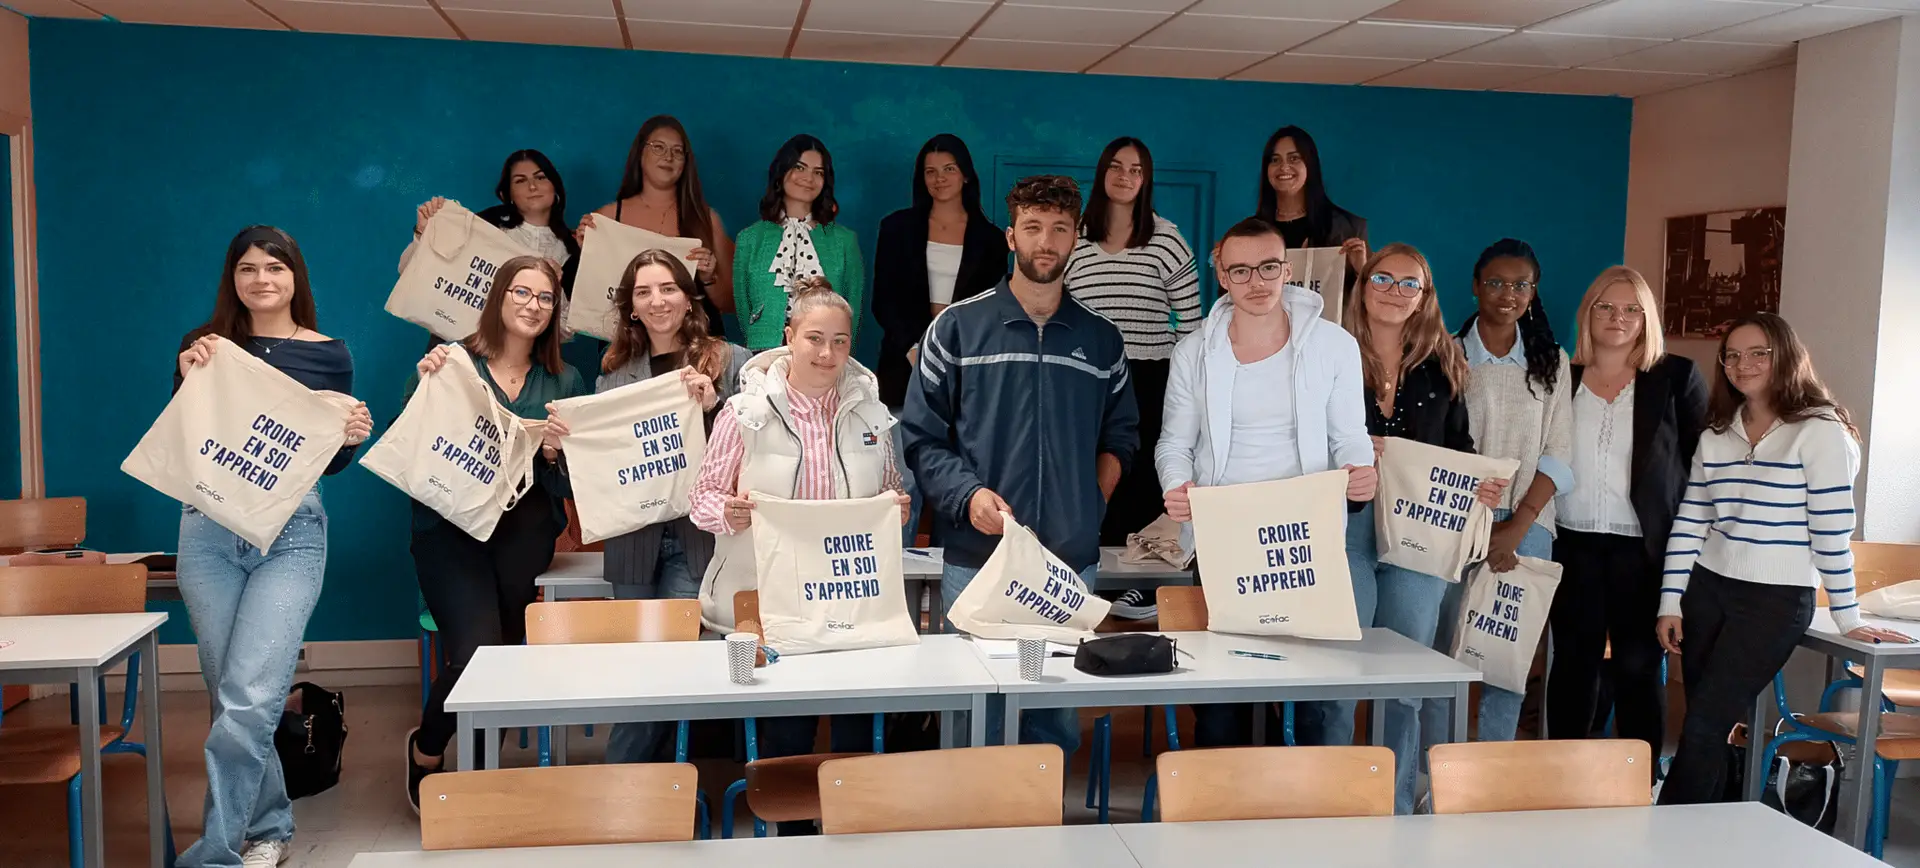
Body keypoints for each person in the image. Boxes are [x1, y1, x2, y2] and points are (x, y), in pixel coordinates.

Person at [903, 174, 1139, 752]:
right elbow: (921, 437)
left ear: (1077, 237)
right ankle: (967, 834)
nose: (1046, 242)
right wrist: (968, 497)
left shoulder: (1101, 339)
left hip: (1067, 566)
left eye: (1060, 229)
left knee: (1053, 720)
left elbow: (1123, 434)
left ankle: (1043, 836)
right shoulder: (957, 329)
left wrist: (1091, 500)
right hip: (978, 559)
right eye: (1033, 227)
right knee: (973, 712)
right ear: (1011, 236)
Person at [172, 226, 373, 868]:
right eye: (249, 269)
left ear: (296, 278)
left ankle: (216, 851)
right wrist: (184, 382)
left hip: (290, 534)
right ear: (233, 279)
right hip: (206, 530)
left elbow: (326, 464)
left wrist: (349, 440)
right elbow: (186, 442)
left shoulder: (330, 355)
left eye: (275, 268)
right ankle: (270, 829)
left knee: (252, 696)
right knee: (229, 690)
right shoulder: (204, 349)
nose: (262, 280)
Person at [1656, 313, 1913, 804]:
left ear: (1786, 357)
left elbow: (1832, 530)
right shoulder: (1717, 432)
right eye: (1731, 355)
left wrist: (1847, 614)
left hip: (1773, 602)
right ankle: (1707, 835)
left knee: (1706, 725)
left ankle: (1661, 836)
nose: (1741, 364)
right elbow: (1691, 520)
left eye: (1758, 353)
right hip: (1708, 588)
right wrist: (1670, 600)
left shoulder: (1820, 431)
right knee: (1704, 725)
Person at [686, 280, 911, 834]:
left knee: (857, 729)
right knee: (788, 731)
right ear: (789, 337)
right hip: (771, 598)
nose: (827, 353)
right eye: (814, 338)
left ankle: (853, 830)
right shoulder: (743, 414)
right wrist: (729, 512)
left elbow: (887, 487)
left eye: (839, 340)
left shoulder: (871, 414)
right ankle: (792, 834)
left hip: (850, 599)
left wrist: (896, 507)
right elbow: (702, 497)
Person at [1292, 243, 1502, 811]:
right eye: (1381, 277)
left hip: (1420, 536)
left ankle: (1396, 807)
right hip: (1345, 527)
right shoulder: (1325, 351)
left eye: (1409, 283)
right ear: (1361, 287)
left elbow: (1461, 449)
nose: (1393, 290)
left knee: (1404, 682)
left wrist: (1479, 485)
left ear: (1425, 297)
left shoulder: (1445, 362)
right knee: (1335, 678)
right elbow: (1300, 438)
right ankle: (1330, 802)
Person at [1156, 216, 1378, 748]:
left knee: (1311, 698)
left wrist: (1358, 470)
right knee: (1223, 703)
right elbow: (1174, 443)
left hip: (1304, 539)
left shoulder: (1335, 345)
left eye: (1269, 267)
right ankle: (1217, 819)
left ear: (1288, 269)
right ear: (1222, 275)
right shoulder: (1194, 351)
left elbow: (1351, 435)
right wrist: (1177, 484)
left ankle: (1304, 816)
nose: (1257, 281)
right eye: (1241, 270)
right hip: (1221, 539)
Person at [404, 256, 587, 810]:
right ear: (498, 298)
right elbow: (412, 442)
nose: (533, 305)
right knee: (475, 651)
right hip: (450, 532)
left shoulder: (566, 379)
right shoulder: (454, 361)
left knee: (505, 656)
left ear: (556, 311)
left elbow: (571, 482)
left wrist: (556, 454)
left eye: (546, 298)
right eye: (522, 293)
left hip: (522, 533)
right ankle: (429, 749)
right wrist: (425, 386)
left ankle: (482, 775)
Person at [590, 249, 750, 765]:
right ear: (630, 307)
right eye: (643, 292)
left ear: (688, 297)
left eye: (667, 288)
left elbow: (760, 441)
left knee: (667, 658)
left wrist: (715, 407)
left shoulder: (732, 362)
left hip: (697, 537)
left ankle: (623, 783)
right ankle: (649, 786)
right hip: (633, 537)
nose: (657, 300)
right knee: (640, 663)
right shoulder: (612, 375)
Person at [1546, 266, 1706, 767]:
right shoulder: (1559, 377)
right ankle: (1563, 775)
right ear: (1587, 313)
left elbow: (1701, 466)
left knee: (1639, 668)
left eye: (1632, 309)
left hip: (1644, 549)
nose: (1618, 317)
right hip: (1572, 543)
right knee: (1574, 666)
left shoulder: (1676, 377)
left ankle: (1641, 779)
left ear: (1646, 319)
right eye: (1606, 307)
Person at [1422, 238, 1573, 749]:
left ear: (1533, 292)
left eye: (1520, 284)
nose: (1508, 294)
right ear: (1474, 286)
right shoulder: (1446, 352)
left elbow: (1559, 453)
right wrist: (1478, 519)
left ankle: (1493, 767)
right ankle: (1437, 768)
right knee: (1444, 647)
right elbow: (1435, 443)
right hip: (1456, 517)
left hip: (1529, 524)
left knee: (1504, 654)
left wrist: (1516, 526)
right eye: (1496, 282)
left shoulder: (1552, 360)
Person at [1064, 137, 1202, 569]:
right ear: (1102, 172)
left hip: (1147, 379)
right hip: (1084, 379)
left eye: (1137, 169)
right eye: (1117, 167)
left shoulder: (1166, 239)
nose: (1126, 177)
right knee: (1085, 475)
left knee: (1139, 480)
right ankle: (1083, 568)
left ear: (1147, 179)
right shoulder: (1075, 238)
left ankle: (1138, 584)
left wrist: (1181, 386)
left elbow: (1193, 324)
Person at [872, 134, 1008, 545]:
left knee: (963, 480)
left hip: (968, 372)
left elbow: (992, 309)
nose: (939, 178)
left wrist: (952, 358)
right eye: (930, 171)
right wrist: (915, 349)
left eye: (949, 169)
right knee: (902, 483)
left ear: (966, 174)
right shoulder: (896, 228)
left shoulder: (990, 237)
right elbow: (884, 300)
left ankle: (960, 575)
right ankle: (897, 582)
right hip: (903, 366)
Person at [583, 115, 732, 332]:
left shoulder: (707, 220)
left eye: (677, 151)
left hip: (695, 349)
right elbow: (591, 296)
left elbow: (728, 303)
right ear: (640, 153)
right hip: (628, 347)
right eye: (658, 147)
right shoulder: (606, 217)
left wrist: (709, 277)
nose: (668, 157)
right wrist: (586, 251)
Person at [734, 135, 866, 352]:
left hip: (826, 354)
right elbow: (743, 306)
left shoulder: (844, 240)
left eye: (818, 172)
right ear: (781, 171)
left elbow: (852, 308)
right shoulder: (749, 238)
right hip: (764, 353)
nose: (808, 178)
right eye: (799, 167)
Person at [405, 148, 579, 277]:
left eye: (540, 177)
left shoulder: (573, 247)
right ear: (508, 194)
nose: (532, 187)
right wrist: (425, 234)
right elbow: (416, 273)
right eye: (520, 181)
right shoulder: (481, 228)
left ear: (554, 186)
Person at [1256, 126, 1368, 296]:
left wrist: (1363, 270)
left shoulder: (1348, 228)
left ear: (1310, 164)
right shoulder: (1250, 231)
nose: (1284, 167)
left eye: (1294, 158)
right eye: (1275, 160)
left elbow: (1370, 303)